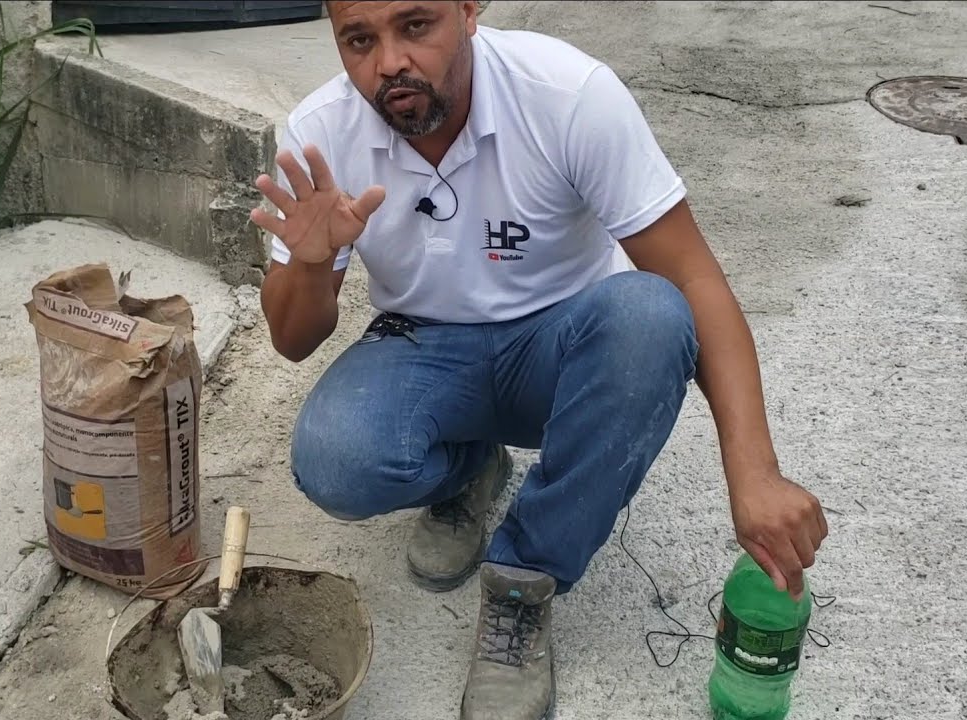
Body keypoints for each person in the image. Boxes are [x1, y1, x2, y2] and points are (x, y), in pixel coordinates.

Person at [248, 2, 829, 717]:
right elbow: (292, 339)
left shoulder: (567, 95)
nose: (388, 61)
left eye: (415, 26)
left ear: (468, 9)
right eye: (359, 40)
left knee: (650, 315)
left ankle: (525, 580)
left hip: (563, 345)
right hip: (423, 344)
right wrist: (308, 264)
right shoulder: (321, 134)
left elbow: (695, 279)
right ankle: (471, 470)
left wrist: (755, 474)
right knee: (334, 458)